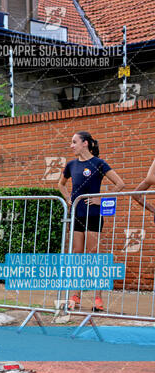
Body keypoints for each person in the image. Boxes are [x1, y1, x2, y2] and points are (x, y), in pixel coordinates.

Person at [58, 131, 124, 312]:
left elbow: (120, 184)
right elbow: (60, 184)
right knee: (77, 254)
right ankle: (75, 296)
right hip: (76, 214)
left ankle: (98, 299)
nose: (71, 146)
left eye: (74, 142)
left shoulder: (99, 163)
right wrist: (69, 199)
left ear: (85, 143)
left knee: (94, 255)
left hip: (94, 215)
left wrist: (101, 199)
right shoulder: (71, 165)